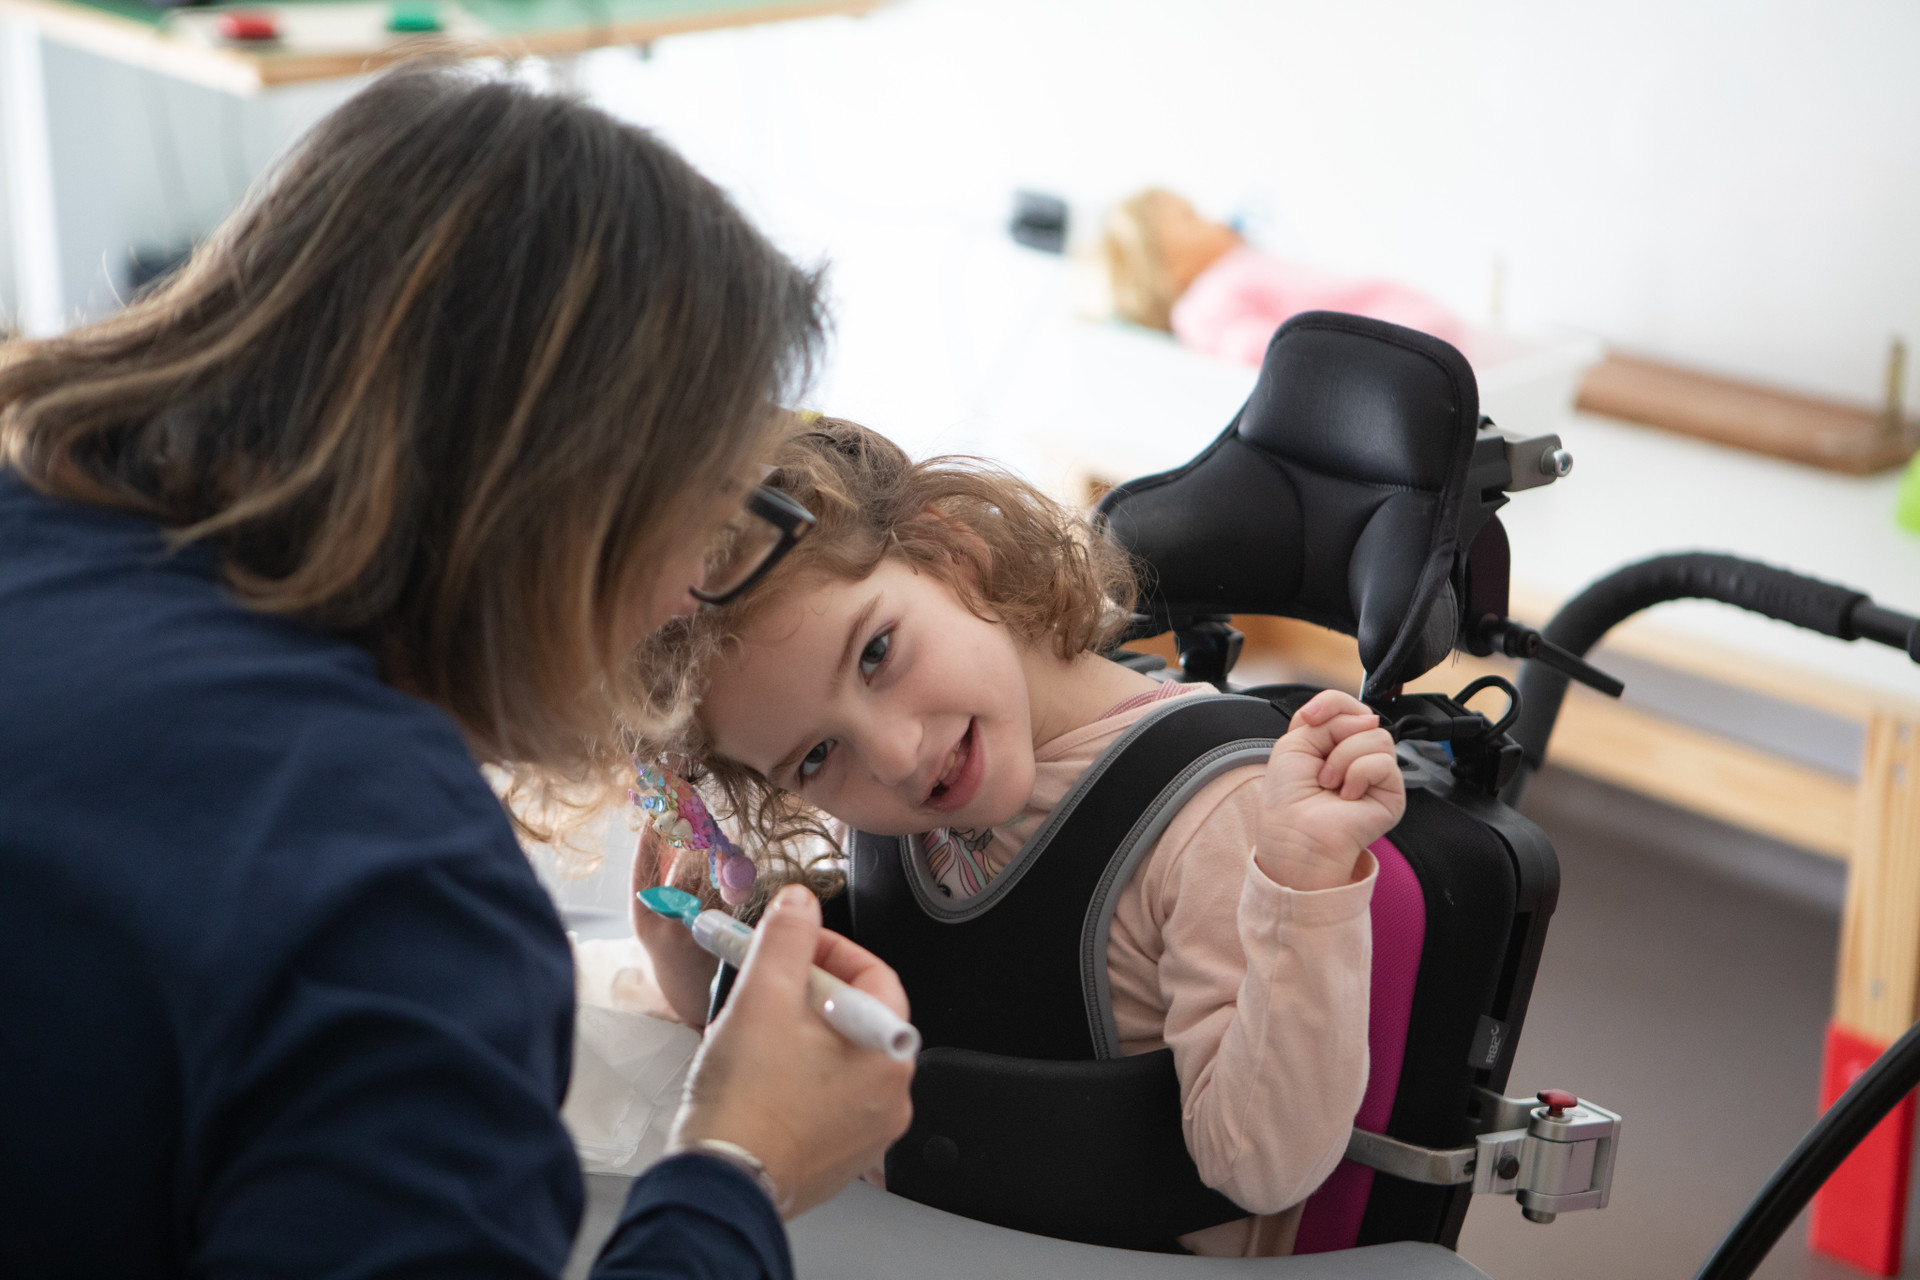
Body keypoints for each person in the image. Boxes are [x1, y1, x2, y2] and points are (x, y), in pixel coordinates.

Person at [0, 67, 912, 1278]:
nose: (682, 598)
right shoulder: (383, 884)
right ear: (568, 489)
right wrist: (737, 1167)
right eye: (706, 515)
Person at [629, 417, 1406, 1257]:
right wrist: (691, 971)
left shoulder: (1214, 814)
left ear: (955, 551)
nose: (894, 755)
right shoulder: (909, 803)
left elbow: (1263, 1165)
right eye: (817, 755)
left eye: (877, 653)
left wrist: (1301, 878)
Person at [1101, 187, 1464, 364]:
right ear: (1174, 269)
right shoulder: (1199, 304)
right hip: (1383, 349)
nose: (1213, 219)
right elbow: (1252, 347)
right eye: (1191, 217)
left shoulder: (1240, 263)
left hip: (1402, 328)